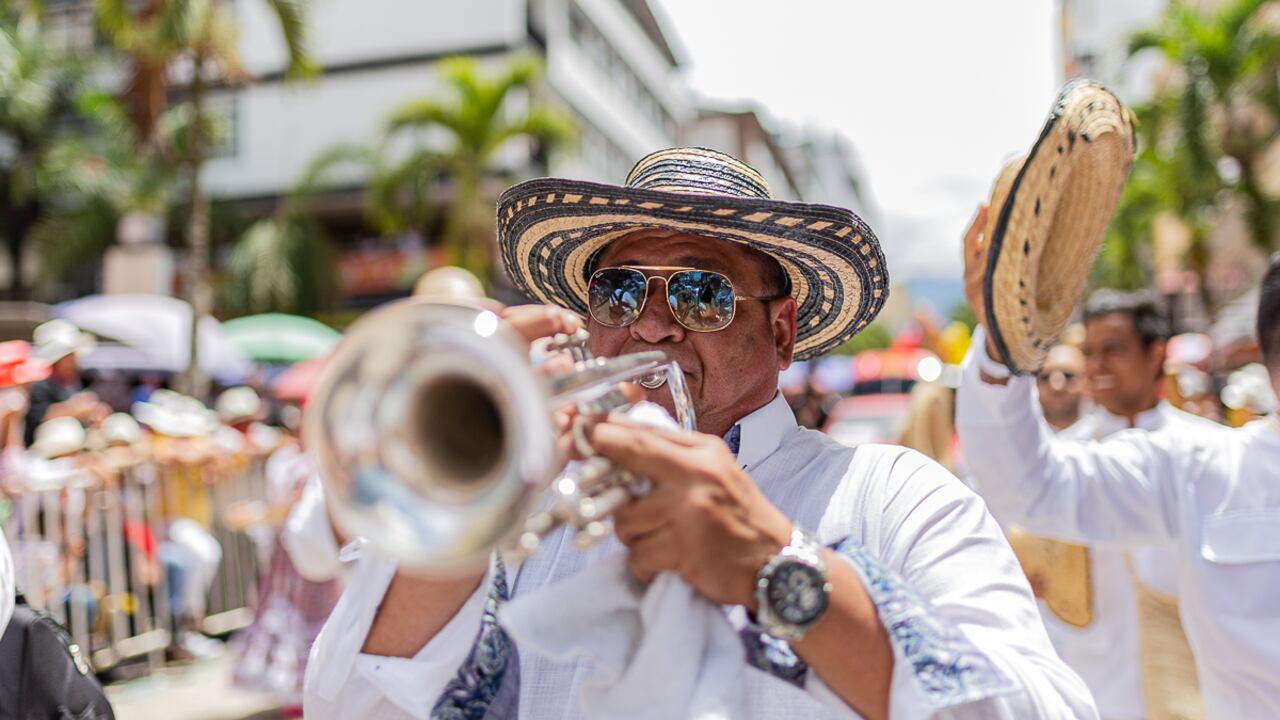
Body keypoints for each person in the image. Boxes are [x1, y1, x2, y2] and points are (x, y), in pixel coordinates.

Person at [305, 148, 1093, 719]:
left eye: (700, 293)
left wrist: (772, 564)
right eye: (617, 292)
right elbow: (353, 705)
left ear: (781, 333)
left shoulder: (894, 495)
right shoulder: (526, 510)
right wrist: (473, 489)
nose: (651, 325)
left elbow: (1046, 710)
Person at [957, 200, 1280, 717]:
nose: (1098, 366)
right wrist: (1002, 333)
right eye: (1092, 352)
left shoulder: (1200, 447)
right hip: (1097, 686)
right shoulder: (1198, 466)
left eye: (1116, 350)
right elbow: (1022, 486)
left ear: (1156, 355)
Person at [24, 321, 110, 447]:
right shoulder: (39, 385)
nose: (76, 359)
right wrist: (76, 409)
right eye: (71, 356)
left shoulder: (76, 382)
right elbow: (38, 417)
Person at [1037, 344, 1086, 432]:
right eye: (1045, 377)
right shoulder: (1021, 431)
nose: (1056, 387)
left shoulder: (1109, 429)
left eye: (1068, 375)